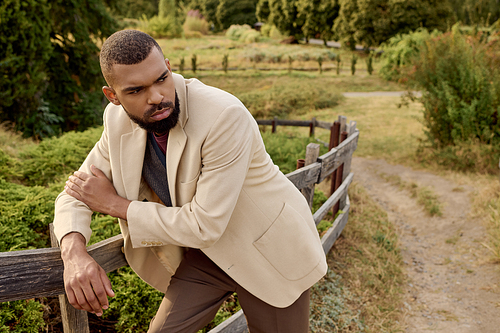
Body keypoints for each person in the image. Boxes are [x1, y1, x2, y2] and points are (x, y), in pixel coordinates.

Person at [53, 29, 327, 333]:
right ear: (112, 96)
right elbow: (76, 193)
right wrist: (74, 253)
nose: (156, 97)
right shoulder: (115, 121)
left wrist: (116, 205)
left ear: (169, 67)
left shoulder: (224, 115)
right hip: (207, 257)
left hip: (269, 250)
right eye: (136, 90)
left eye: (161, 79)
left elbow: (204, 225)